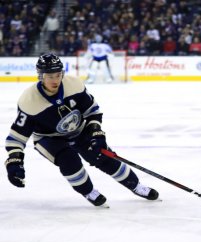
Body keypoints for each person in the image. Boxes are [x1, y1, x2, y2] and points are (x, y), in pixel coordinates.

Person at [4, 53, 159, 207]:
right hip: (49, 138)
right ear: (40, 76)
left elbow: (92, 111)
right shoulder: (29, 101)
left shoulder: (74, 85)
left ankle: (136, 186)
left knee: (102, 156)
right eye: (50, 76)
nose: (55, 80)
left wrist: (95, 132)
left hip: (79, 129)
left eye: (58, 75)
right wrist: (14, 161)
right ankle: (88, 192)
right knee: (69, 160)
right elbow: (16, 138)